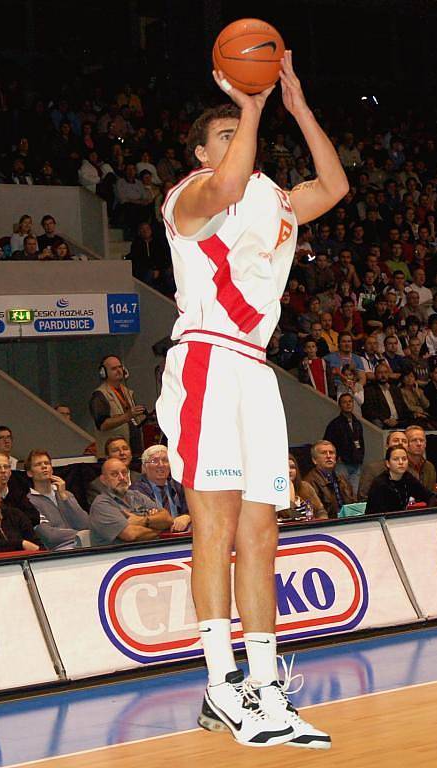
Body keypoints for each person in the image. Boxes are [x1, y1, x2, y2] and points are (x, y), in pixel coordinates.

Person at [155, 51, 346, 749]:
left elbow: (335, 182)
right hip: (206, 357)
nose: (236, 140)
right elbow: (232, 177)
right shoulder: (190, 195)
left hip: (255, 371)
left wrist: (295, 105)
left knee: (261, 533)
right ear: (201, 152)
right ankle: (218, 685)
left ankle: (266, 689)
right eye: (224, 133)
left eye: (242, 131)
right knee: (215, 525)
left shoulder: (275, 199)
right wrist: (252, 103)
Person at [89, 458, 173, 546]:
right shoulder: (101, 505)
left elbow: (168, 519)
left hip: (149, 550)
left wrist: (143, 521)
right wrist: (160, 528)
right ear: (103, 480)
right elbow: (131, 535)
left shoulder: (136, 495)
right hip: (118, 557)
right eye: (114, 474)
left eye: (124, 473)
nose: (121, 478)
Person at [25, 450, 90, 550]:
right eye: (38, 464)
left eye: (47, 463)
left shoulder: (66, 494)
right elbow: (49, 535)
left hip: (85, 543)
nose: (44, 466)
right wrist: (81, 534)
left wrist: (65, 498)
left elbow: (85, 523)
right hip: (60, 549)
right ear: (30, 473)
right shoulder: (29, 501)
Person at [88, 356, 146, 457]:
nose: (118, 371)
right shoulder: (99, 395)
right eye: (114, 368)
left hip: (133, 452)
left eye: (120, 367)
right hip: (112, 456)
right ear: (103, 372)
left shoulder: (127, 392)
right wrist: (127, 416)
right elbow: (102, 424)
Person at [129, 445, 191, 532]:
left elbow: (196, 510)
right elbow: (140, 521)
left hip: (180, 536)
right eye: (154, 461)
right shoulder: (136, 491)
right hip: (154, 539)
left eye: (165, 460)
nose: (161, 465)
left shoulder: (179, 485)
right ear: (144, 468)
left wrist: (187, 516)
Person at [365, 446, 437, 515]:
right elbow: (377, 513)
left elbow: (430, 496)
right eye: (396, 459)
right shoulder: (380, 483)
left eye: (404, 459)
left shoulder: (408, 478)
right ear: (388, 464)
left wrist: (428, 513)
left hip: (400, 521)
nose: (401, 462)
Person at [323, 393, 365, 490]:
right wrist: (336, 457)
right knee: (343, 490)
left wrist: (361, 456)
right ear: (340, 405)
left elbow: (361, 442)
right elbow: (327, 443)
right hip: (342, 464)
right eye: (344, 402)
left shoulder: (357, 423)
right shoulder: (334, 424)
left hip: (356, 462)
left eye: (350, 401)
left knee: (354, 492)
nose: (348, 404)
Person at [303, 440, 354, 518]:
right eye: (323, 453)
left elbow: (353, 503)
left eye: (331, 453)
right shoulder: (309, 482)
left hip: (348, 520)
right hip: (327, 524)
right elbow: (316, 512)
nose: (328, 456)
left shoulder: (342, 478)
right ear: (314, 460)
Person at [87, 437, 142, 506]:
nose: (122, 453)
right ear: (108, 458)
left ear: (131, 455)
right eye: (115, 450)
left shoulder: (142, 478)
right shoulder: (97, 486)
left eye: (125, 449)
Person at [357, 430, 409, 500]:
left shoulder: (411, 471)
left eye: (404, 441)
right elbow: (363, 497)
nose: (400, 443)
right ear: (387, 446)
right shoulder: (373, 469)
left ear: (408, 447)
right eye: (396, 440)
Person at [362, 362, 412, 428]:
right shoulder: (370, 390)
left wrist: (414, 414)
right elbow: (369, 410)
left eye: (385, 372)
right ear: (375, 375)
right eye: (380, 373)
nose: (383, 375)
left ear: (388, 374)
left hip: (399, 421)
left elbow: (403, 407)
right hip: (384, 421)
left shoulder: (395, 389)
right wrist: (385, 420)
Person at [280, 454, 325, 520]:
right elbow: (289, 514)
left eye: (292, 467)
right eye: (285, 467)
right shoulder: (275, 493)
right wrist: (290, 487)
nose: (289, 471)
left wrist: (322, 523)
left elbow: (320, 511)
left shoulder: (305, 487)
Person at [404, 425, 437, 492]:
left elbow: (431, 495)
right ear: (406, 443)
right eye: (414, 440)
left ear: (425, 444)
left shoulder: (429, 467)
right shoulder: (400, 465)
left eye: (422, 440)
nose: (419, 444)